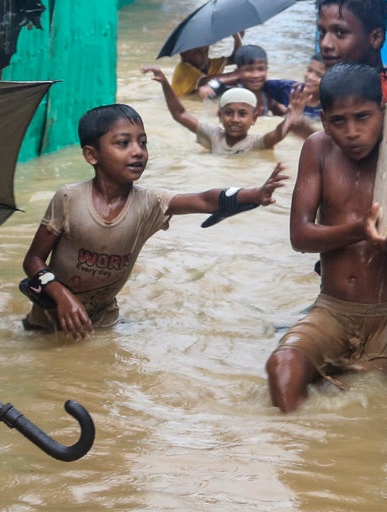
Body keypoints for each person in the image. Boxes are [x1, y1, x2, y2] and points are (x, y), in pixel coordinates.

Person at [264, 64, 387, 413]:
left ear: (382, 109)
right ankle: (294, 451)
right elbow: (300, 236)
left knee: (367, 409)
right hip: (331, 309)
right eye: (338, 121)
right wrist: (358, 230)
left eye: (363, 117)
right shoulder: (318, 149)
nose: (351, 132)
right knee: (282, 367)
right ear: (323, 119)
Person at [20, 104, 288, 337]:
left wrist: (255, 193)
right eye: (123, 143)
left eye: (143, 143)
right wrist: (59, 293)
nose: (138, 151)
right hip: (46, 322)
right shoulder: (68, 199)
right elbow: (33, 260)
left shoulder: (150, 203)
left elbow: (205, 200)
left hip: (102, 323)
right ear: (92, 155)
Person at [143, 67, 306, 154]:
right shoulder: (213, 136)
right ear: (219, 116)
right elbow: (180, 114)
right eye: (228, 113)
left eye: (242, 114)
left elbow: (277, 134)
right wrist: (165, 83)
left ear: (254, 118)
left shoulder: (256, 143)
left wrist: (290, 118)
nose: (235, 119)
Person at [315, 0, 387, 103]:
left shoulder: (376, 98)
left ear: (375, 38)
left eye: (340, 33)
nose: (325, 44)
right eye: (322, 32)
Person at [197, 44, 299, 116]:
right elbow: (206, 86)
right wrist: (207, 89)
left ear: (267, 70)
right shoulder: (232, 93)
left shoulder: (267, 97)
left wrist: (294, 111)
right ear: (237, 72)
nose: (256, 75)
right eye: (249, 70)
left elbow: (283, 115)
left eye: (261, 69)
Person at [169, 31, 243, 95]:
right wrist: (239, 75)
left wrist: (236, 37)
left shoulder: (208, 63)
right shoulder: (184, 69)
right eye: (198, 52)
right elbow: (205, 81)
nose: (204, 56)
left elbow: (235, 59)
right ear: (184, 55)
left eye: (206, 51)